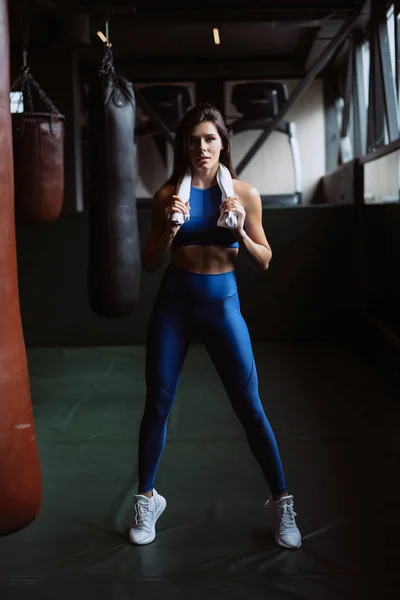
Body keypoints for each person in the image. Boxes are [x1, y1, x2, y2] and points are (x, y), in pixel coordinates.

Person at [129, 103, 302, 550]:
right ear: (184, 147)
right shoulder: (169, 195)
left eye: (209, 139)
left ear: (223, 143)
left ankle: (283, 502)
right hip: (174, 307)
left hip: (223, 308)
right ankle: (147, 498)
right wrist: (169, 231)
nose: (202, 148)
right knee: (158, 404)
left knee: (250, 407)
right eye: (193, 140)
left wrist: (241, 232)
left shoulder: (244, 194)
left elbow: (264, 260)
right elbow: (148, 265)